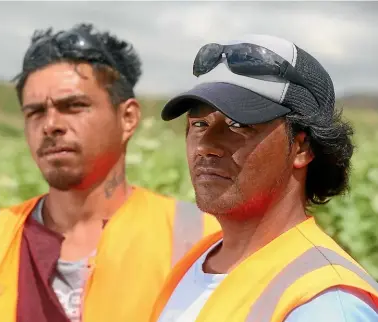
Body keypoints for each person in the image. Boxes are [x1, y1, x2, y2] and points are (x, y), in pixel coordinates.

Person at [0, 23, 220, 322]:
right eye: (35, 112)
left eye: (73, 106)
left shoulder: (202, 239)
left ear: (127, 118)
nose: (50, 125)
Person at [150, 34, 378, 322]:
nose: (207, 145)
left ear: (301, 147)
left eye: (238, 125)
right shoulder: (196, 264)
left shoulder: (327, 305)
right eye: (199, 124)